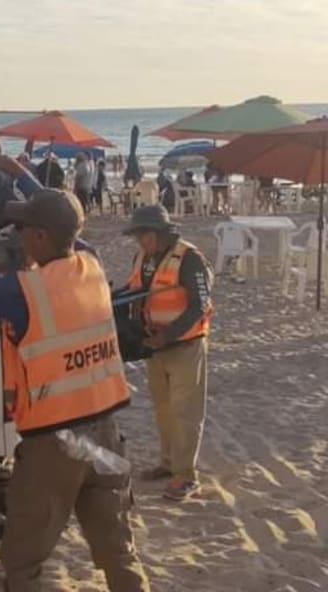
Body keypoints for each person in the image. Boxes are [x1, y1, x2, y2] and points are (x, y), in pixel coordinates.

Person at [0, 156, 150, 592]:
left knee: (24, 560)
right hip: (107, 434)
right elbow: (67, 221)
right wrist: (19, 174)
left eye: (22, 229)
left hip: (56, 443)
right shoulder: (89, 265)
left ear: (39, 236)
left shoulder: (23, 292)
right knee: (117, 547)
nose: (16, 236)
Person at [121, 206, 213, 503]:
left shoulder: (190, 258)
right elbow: (134, 289)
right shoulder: (143, 257)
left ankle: (186, 476)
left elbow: (199, 305)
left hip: (184, 344)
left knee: (186, 411)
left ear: (158, 232)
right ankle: (168, 462)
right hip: (155, 345)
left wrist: (167, 336)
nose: (139, 241)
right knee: (163, 408)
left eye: (142, 235)